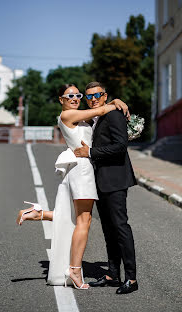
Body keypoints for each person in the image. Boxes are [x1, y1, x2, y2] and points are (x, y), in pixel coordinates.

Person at [16, 83, 129, 289]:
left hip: (79, 168)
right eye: (70, 96)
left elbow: (98, 114)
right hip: (82, 168)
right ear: (61, 99)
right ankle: (74, 270)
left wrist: (114, 102)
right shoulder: (67, 115)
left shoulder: (79, 115)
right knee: (83, 221)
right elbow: (102, 109)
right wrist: (116, 102)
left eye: (78, 95)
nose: (75, 98)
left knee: (76, 216)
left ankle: (38, 213)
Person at [74, 81, 138, 294]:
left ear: (104, 95)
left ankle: (131, 278)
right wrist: (113, 102)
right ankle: (112, 274)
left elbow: (120, 146)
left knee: (120, 227)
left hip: (115, 180)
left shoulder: (113, 114)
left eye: (97, 95)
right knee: (108, 230)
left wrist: (91, 153)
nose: (93, 99)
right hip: (100, 181)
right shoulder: (100, 113)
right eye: (89, 96)